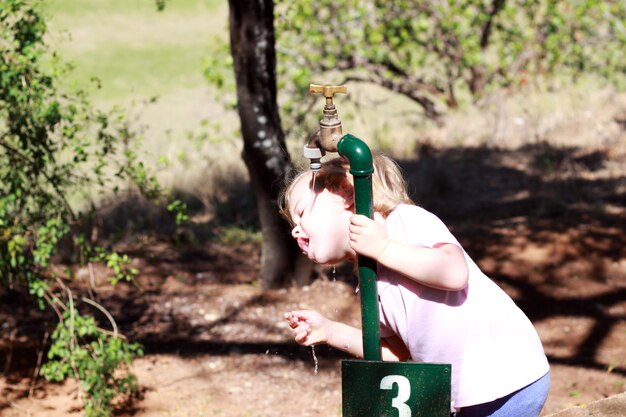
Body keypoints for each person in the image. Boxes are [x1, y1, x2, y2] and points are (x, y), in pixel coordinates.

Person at [280, 154, 550, 416]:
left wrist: (384, 248)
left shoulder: (404, 222)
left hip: (507, 378)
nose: (295, 229)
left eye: (302, 213)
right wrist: (329, 331)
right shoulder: (370, 278)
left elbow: (455, 274)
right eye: (293, 222)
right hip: (465, 396)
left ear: (346, 193)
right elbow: (395, 353)